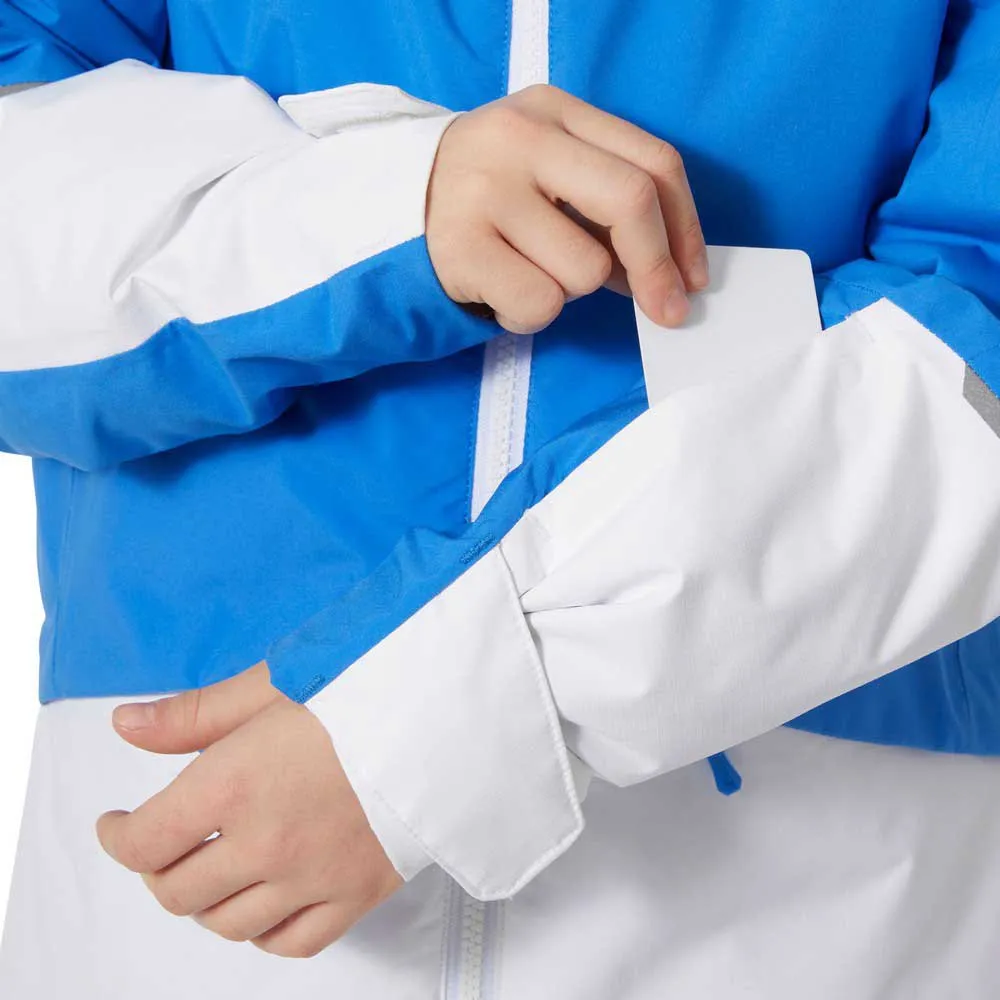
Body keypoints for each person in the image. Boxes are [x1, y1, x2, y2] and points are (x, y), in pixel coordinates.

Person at [1, 1, 999, 997]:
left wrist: (447, 717)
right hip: (201, 833)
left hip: (818, 870)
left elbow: (975, 326)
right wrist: (395, 199)